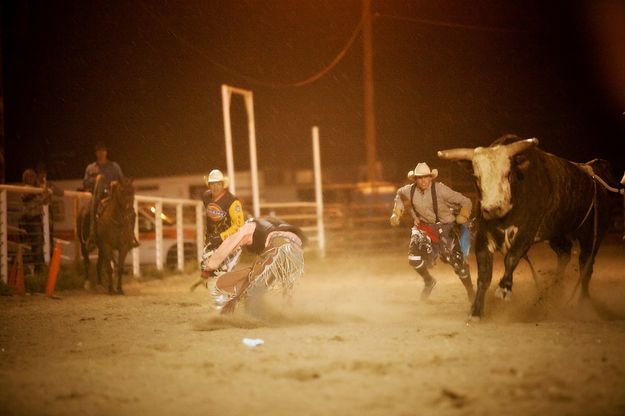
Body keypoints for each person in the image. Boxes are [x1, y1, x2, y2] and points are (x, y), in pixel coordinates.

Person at [390, 162, 474, 301]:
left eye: (425, 177)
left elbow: (465, 201)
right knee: (414, 259)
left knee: (458, 264)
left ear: (430, 177)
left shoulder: (441, 189)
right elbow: (399, 194)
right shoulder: (409, 190)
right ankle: (429, 281)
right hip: (424, 229)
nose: (423, 180)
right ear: (415, 179)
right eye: (419, 177)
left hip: (447, 228)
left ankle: (471, 293)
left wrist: (463, 215)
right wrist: (396, 213)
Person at [201, 217, 306, 314]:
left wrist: (210, 266)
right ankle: (282, 314)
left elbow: (231, 242)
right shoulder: (276, 229)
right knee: (263, 280)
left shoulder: (250, 225)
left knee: (253, 285)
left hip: (279, 245)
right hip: (298, 254)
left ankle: (253, 317)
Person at [82, 142, 138, 247]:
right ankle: (90, 236)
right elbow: (85, 183)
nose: (101, 153)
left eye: (103, 151)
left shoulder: (114, 166)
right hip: (97, 195)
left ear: (106, 152)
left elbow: (122, 181)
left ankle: (130, 236)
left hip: (113, 196)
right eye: (99, 151)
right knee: (87, 213)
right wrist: (96, 179)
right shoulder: (91, 168)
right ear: (96, 153)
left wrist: (116, 183)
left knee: (131, 212)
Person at [199, 169, 245, 275]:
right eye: (212, 184)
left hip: (230, 242)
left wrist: (221, 237)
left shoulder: (232, 201)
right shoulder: (206, 197)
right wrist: (208, 237)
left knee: (222, 274)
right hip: (212, 241)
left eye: (218, 183)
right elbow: (210, 219)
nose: (215, 187)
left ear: (223, 184)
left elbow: (239, 225)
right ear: (209, 185)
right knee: (207, 272)